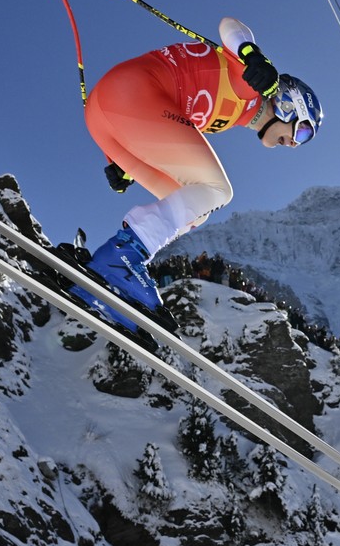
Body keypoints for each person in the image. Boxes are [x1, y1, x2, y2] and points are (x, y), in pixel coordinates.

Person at [73, 17, 322, 329]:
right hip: (130, 93)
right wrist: (252, 56)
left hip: (106, 116)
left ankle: (111, 274)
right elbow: (230, 27)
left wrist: (121, 164)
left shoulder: (235, 114)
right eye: (302, 133)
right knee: (218, 190)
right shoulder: (248, 85)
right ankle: (121, 259)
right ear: (288, 105)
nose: (295, 145)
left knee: (194, 209)